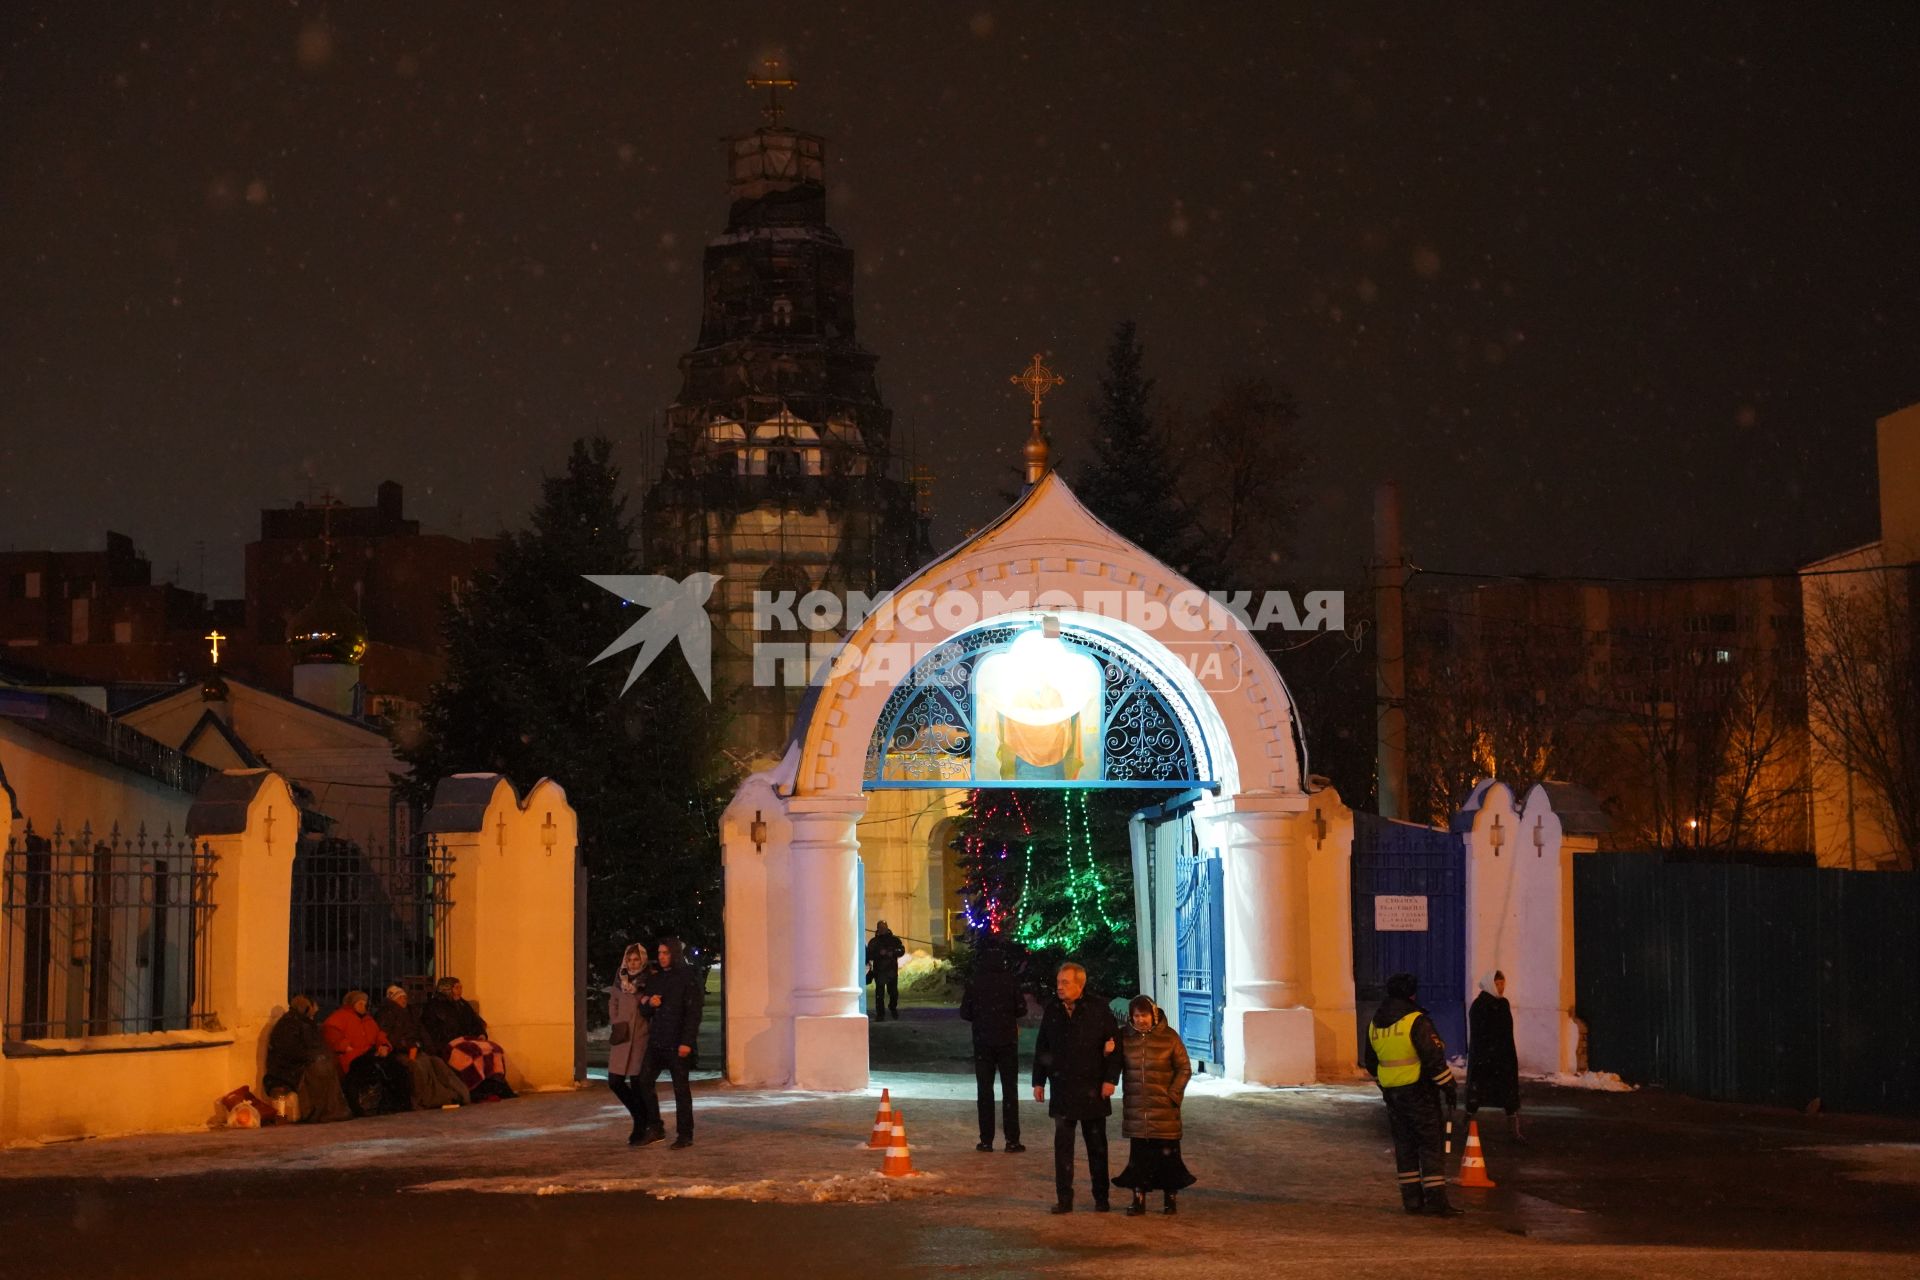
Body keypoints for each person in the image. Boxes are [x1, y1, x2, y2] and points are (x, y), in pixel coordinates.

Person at [1361, 972, 1461, 1217]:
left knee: (1404, 1144)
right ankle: (1436, 1201)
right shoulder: (1416, 1020)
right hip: (1419, 1091)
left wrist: (1386, 1085)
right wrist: (1448, 1087)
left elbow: (1371, 1062)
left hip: (1393, 1094)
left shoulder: (1375, 1022)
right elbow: (1432, 1058)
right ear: (1412, 993)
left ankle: (1412, 1200)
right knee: (1430, 1143)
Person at [1031, 961, 1121, 1214]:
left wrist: (1110, 1080)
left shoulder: (1098, 1009)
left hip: (1093, 1088)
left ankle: (1101, 1198)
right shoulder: (1053, 1010)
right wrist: (1038, 1081)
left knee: (1096, 1148)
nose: (1059, 987)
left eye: (1065, 982)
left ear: (1080, 984)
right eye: (1058, 982)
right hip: (1062, 1088)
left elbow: (1115, 1046)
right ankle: (1064, 1199)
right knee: (1063, 1150)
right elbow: (1043, 1047)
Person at [1111, 995, 1195, 1216]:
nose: (1140, 1020)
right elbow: (1113, 1066)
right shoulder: (1124, 1038)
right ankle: (1138, 1200)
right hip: (1138, 1111)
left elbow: (1184, 1068)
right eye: (1136, 1016)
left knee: (1169, 1160)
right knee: (1139, 1160)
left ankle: (1170, 1200)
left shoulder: (1169, 1038)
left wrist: (1173, 1095)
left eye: (1144, 1015)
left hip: (1165, 1110)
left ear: (1153, 1014)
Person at [959, 938, 1026, 1153]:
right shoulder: (1010, 980)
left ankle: (986, 1140)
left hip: (983, 1042)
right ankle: (1012, 1140)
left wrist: (982, 1018)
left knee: (984, 1092)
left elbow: (965, 1012)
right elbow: (1022, 1009)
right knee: (1010, 1091)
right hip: (1007, 1041)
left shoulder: (975, 981)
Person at [640, 936, 704, 1149]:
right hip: (658, 1041)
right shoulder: (656, 978)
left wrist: (687, 1041)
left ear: (674, 954)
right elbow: (644, 1009)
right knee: (644, 1081)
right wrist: (650, 1003)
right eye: (659, 953)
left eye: (666, 953)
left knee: (681, 1089)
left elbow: (693, 1012)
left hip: (677, 1042)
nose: (662, 957)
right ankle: (655, 1127)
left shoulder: (687, 977)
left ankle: (685, 1134)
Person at [374, 983, 470, 1110]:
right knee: (418, 1067)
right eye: (400, 998)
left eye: (405, 997)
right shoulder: (387, 1014)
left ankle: (458, 1094)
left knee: (437, 1063)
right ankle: (426, 1100)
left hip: (416, 1048)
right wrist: (408, 1046)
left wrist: (430, 1049)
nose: (404, 1000)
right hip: (400, 1051)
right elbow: (387, 1037)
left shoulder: (410, 1013)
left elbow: (421, 1032)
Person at [421, 976, 515, 1100]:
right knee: (472, 1055)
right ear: (447, 989)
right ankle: (475, 1089)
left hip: (468, 1039)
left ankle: (496, 1087)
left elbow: (476, 1022)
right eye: (457, 988)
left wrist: (481, 1034)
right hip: (448, 1044)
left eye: (461, 988)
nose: (460, 991)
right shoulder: (434, 1006)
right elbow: (432, 1031)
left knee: (494, 1050)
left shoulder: (463, 1004)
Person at [322, 989, 411, 1116]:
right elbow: (332, 1034)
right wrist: (347, 1047)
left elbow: (379, 1036)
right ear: (352, 1003)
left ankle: (399, 1104)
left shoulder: (369, 1020)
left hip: (371, 1054)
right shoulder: (338, 1017)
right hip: (353, 1058)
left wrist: (384, 1046)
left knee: (398, 1069)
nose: (363, 1005)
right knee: (371, 1069)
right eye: (360, 1003)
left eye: (365, 1003)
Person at [264, 995, 351, 1123]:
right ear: (306, 1007)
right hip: (288, 1069)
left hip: (299, 1063)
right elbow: (290, 1051)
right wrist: (312, 1057)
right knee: (320, 1071)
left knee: (327, 1068)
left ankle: (330, 1110)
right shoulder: (289, 1024)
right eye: (313, 1007)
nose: (315, 1011)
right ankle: (317, 1112)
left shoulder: (301, 1022)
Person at [606, 943, 655, 1144]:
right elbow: (613, 1000)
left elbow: (652, 1005)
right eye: (630, 959)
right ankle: (640, 1117)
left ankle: (640, 1125)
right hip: (622, 1034)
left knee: (636, 1083)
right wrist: (616, 1020)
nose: (633, 963)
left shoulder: (649, 978)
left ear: (642, 960)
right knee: (615, 1081)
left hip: (640, 1035)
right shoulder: (621, 976)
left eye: (636, 959)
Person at [1467, 970, 1523, 1141]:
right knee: (1478, 1091)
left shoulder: (1503, 1003)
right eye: (1498, 984)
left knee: (1508, 1093)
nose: (1501, 987)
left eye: (1503, 983)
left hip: (1503, 1056)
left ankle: (1513, 1131)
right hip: (1486, 1057)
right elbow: (1480, 1033)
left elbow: (1507, 1032)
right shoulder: (1480, 1005)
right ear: (1491, 984)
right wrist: (1489, 1050)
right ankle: (1468, 1128)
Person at [865, 921, 906, 1021]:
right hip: (879, 972)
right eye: (880, 927)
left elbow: (901, 951)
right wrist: (879, 954)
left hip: (891, 970)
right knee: (879, 994)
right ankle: (880, 1014)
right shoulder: (874, 942)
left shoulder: (894, 940)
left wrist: (893, 953)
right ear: (878, 928)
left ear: (887, 928)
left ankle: (892, 1007)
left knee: (893, 993)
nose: (882, 929)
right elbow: (869, 955)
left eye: (884, 927)